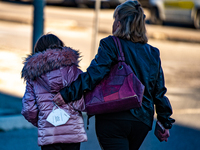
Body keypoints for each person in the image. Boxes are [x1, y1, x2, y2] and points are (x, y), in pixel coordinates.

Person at [53, 0, 175, 149]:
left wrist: (67, 94)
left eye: (114, 19)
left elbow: (94, 74)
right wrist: (164, 122)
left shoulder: (111, 44)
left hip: (113, 118)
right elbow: (159, 91)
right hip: (141, 121)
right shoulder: (153, 53)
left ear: (119, 23)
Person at [21, 33, 87, 150]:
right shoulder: (74, 71)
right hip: (72, 133)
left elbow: (29, 109)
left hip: (49, 134)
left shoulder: (33, 76)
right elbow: (83, 102)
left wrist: (42, 120)